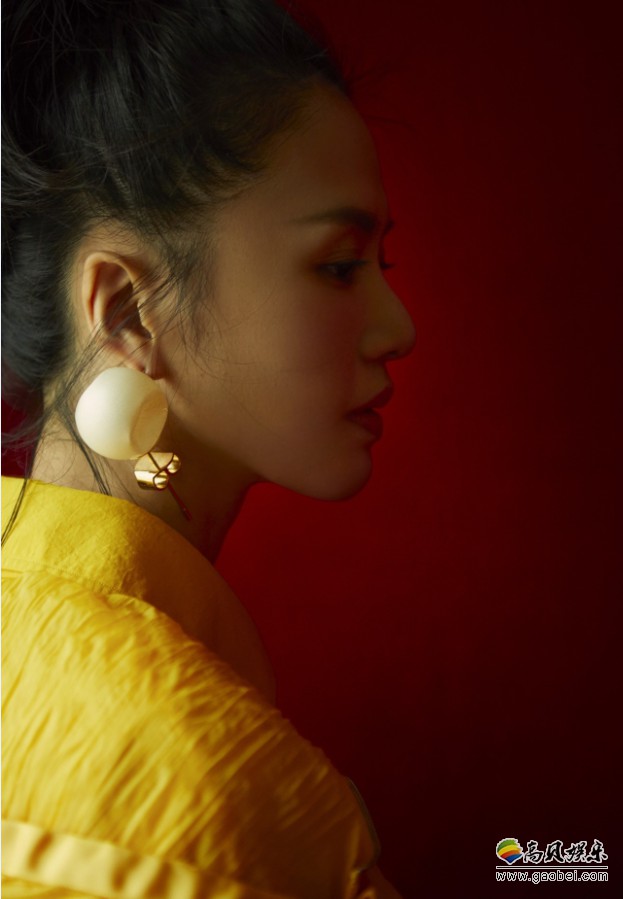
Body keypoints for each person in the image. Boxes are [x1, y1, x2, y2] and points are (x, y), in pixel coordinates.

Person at [1, 0, 415, 895]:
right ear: (128, 312)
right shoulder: (205, 795)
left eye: (382, 265)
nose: (398, 327)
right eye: (338, 265)